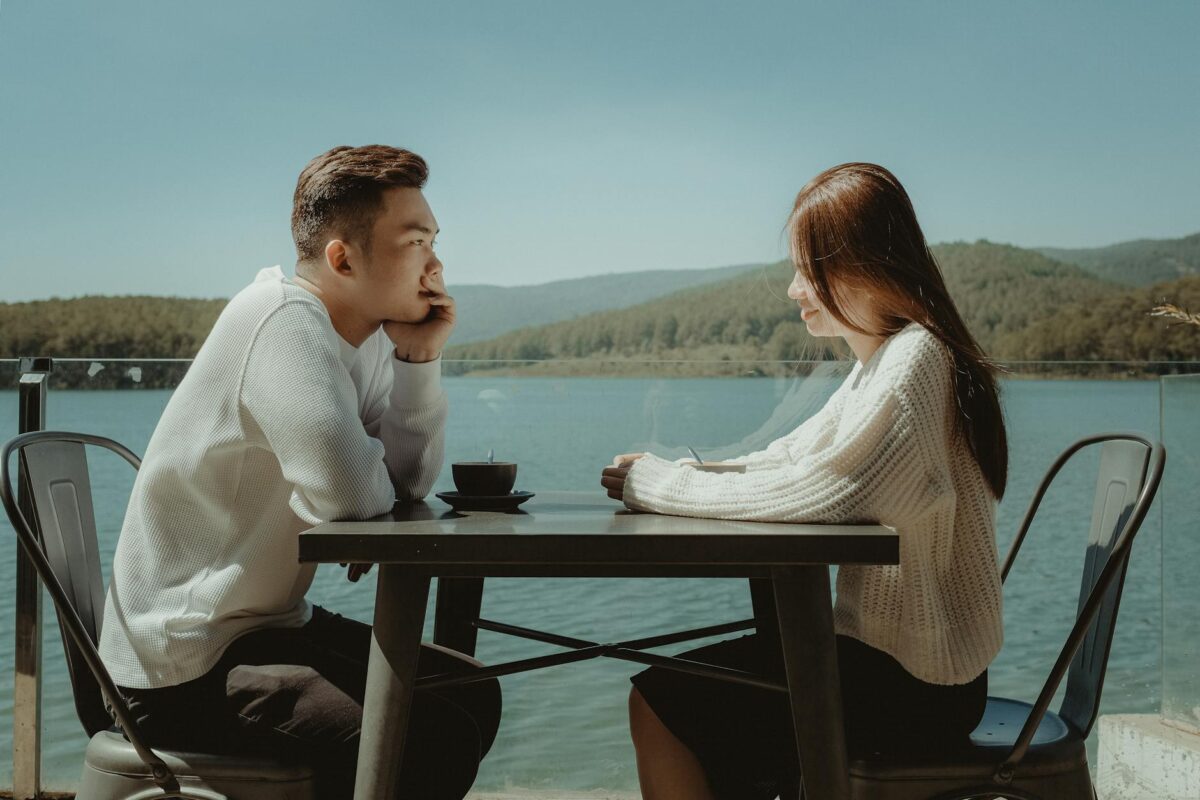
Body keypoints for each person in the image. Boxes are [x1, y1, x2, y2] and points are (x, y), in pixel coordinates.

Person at [99, 145, 501, 800]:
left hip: (270, 626)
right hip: (182, 664)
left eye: (435, 241)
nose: (437, 264)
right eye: (416, 241)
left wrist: (418, 363)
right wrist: (357, 491)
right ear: (343, 258)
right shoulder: (282, 318)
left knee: (471, 692)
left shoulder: (367, 341)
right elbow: (349, 497)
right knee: (430, 736)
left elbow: (402, 487)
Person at [601, 162, 1007, 800]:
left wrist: (659, 488)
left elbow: (831, 492)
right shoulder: (884, 359)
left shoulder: (918, 358)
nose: (794, 289)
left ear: (864, 264)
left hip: (917, 685)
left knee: (661, 702)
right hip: (899, 664)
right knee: (692, 696)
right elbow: (792, 461)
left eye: (807, 268)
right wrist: (677, 473)